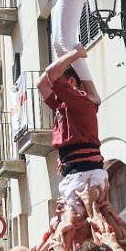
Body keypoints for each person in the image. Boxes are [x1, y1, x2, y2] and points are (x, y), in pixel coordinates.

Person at [38, 46, 105, 238]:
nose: (53, 88)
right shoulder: (63, 105)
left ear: (70, 82)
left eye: (57, 84)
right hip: (75, 174)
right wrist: (66, 55)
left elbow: (50, 74)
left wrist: (75, 53)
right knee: (72, 229)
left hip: (82, 175)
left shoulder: (78, 101)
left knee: (73, 230)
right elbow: (41, 84)